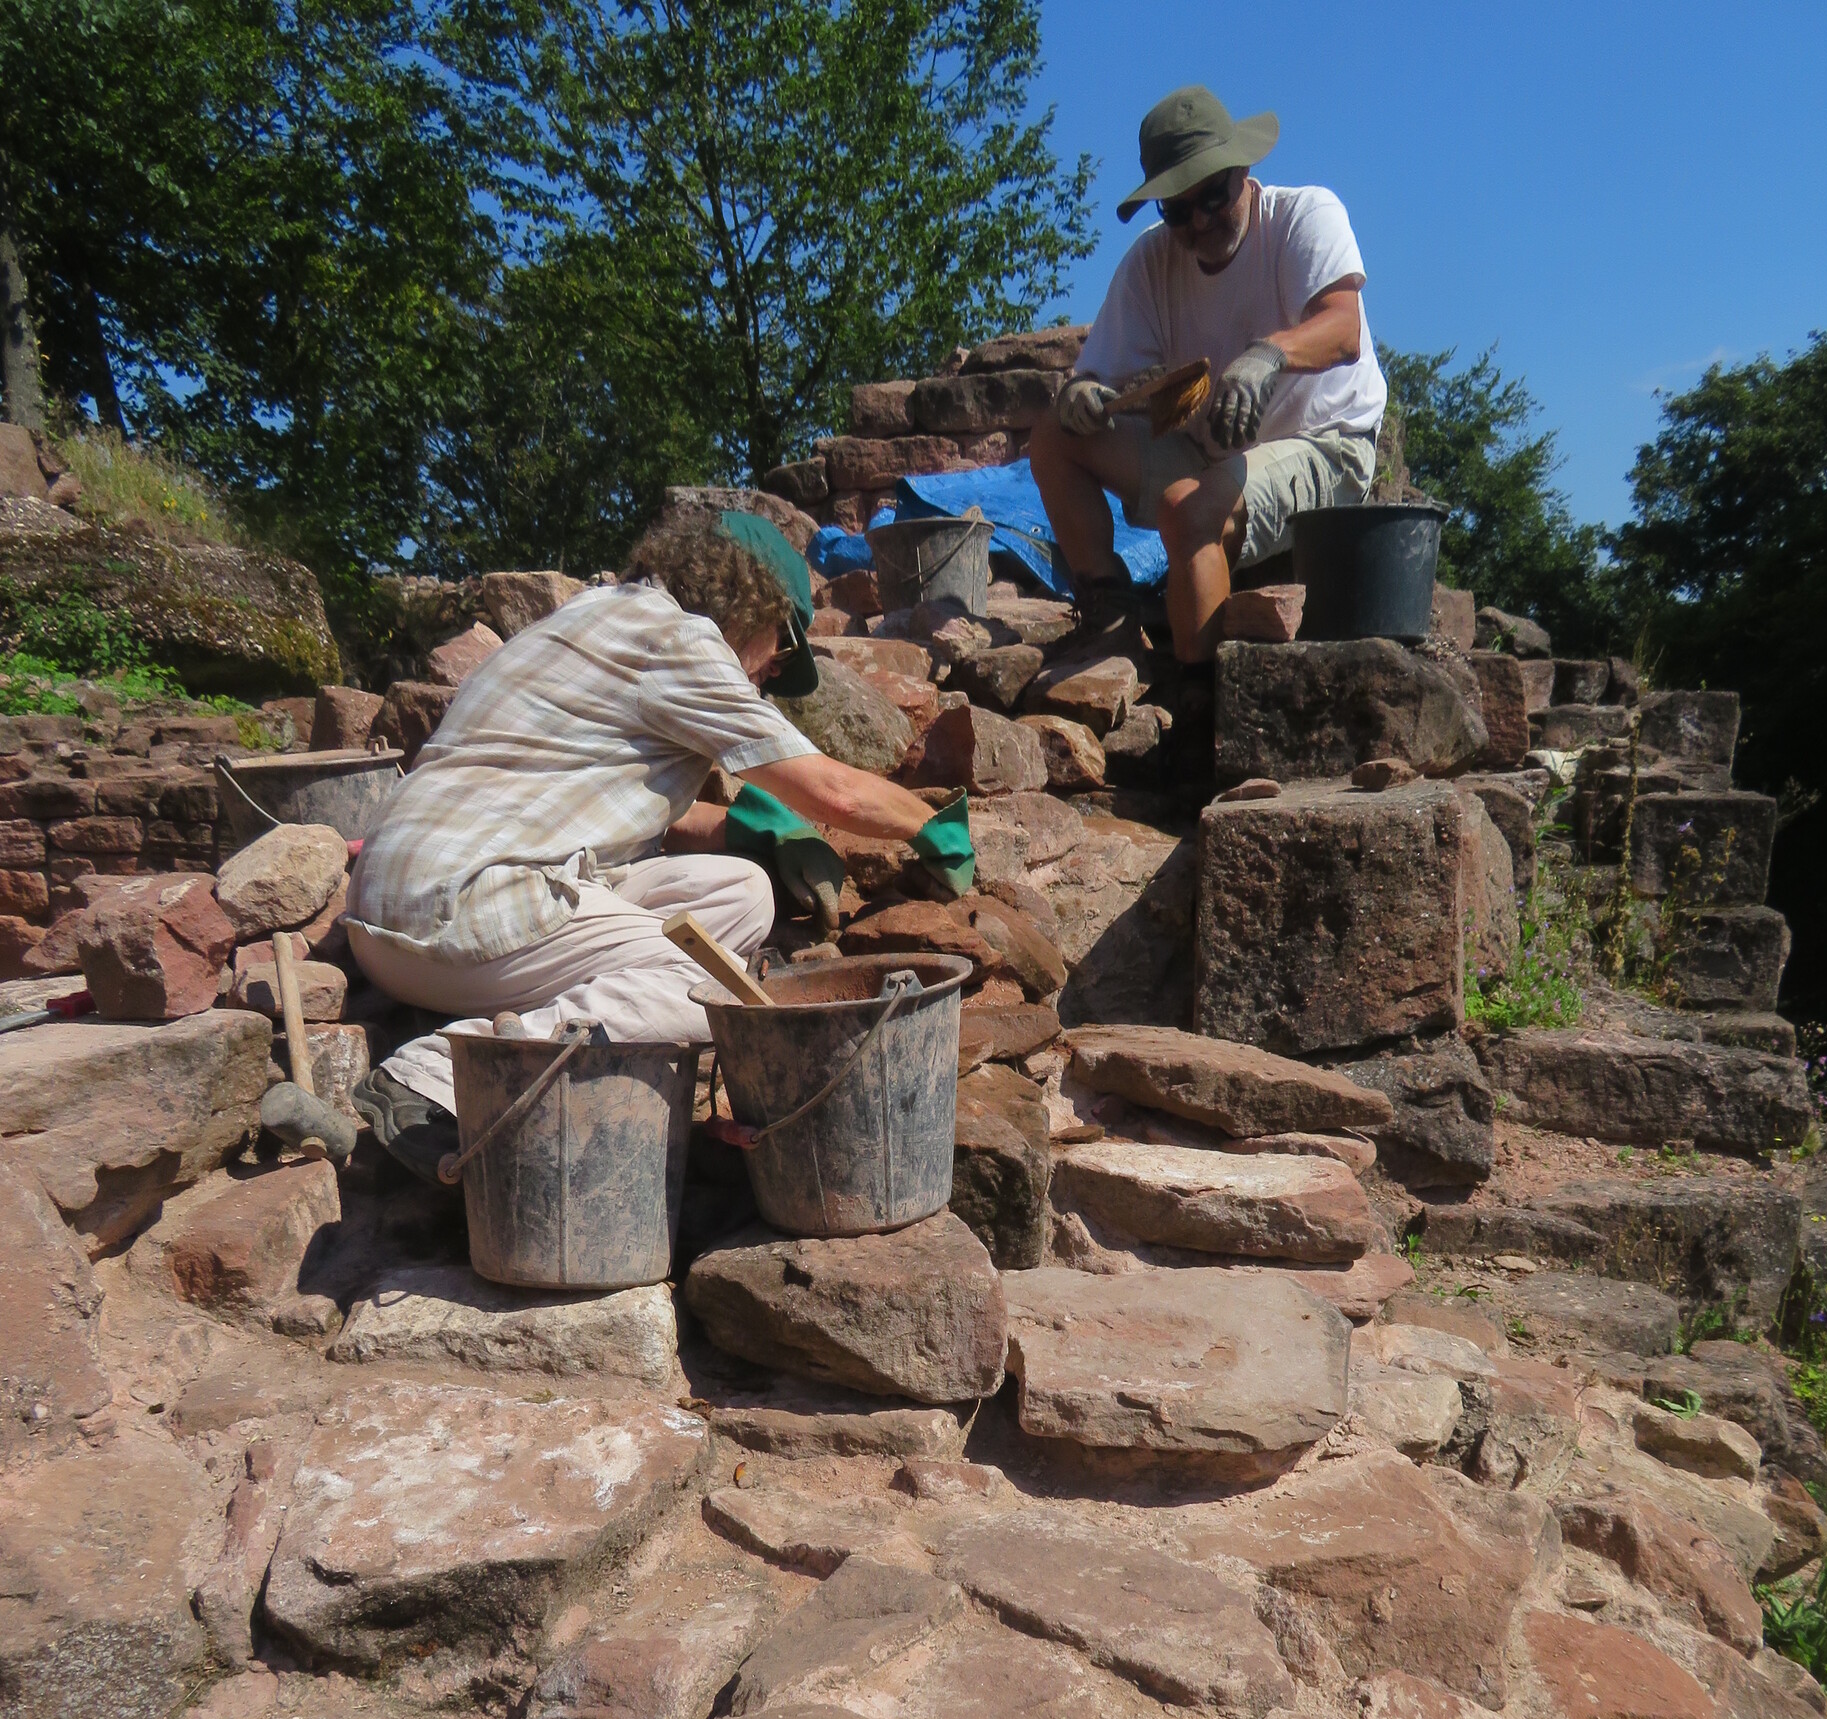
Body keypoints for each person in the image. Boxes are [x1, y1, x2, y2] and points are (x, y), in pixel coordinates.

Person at [344, 510, 970, 1182]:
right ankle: (438, 1072)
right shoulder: (680, 639)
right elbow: (833, 793)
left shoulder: (593, 617)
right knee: (714, 989)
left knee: (743, 893)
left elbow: (610, 802)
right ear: (754, 605)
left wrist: (755, 829)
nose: (767, 676)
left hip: (406, 902)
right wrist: (932, 826)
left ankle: (545, 1010)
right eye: (781, 654)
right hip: (454, 913)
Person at [1028, 85, 1388, 665]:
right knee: (1053, 436)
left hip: (1326, 441)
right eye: (1177, 210)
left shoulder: (1304, 216)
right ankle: (1109, 618)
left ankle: (1200, 694)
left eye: (1214, 198)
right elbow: (1092, 377)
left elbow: (1343, 329)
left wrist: (1267, 355)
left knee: (1191, 510)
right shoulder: (1151, 262)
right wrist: (1081, 395)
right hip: (1208, 453)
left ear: (1242, 170)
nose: (1199, 221)